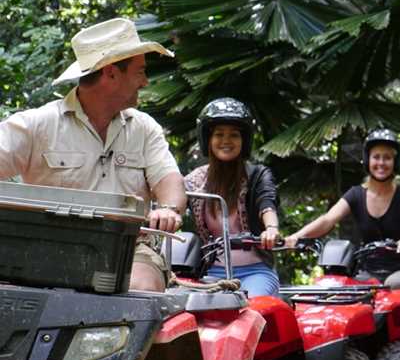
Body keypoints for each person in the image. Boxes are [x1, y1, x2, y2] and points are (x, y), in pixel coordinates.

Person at [0, 17, 185, 292]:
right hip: (46, 249)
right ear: (111, 73)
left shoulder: (143, 128)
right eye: (140, 72)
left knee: (139, 288)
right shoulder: (38, 124)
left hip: (132, 251)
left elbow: (170, 181)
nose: (145, 81)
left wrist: (170, 209)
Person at [284, 129, 400, 292]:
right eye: (376, 157)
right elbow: (328, 220)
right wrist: (296, 236)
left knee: (394, 285)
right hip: (368, 272)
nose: (381, 163)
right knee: (343, 289)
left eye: (387, 158)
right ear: (367, 160)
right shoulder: (356, 194)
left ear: (395, 162)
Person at [185, 98, 282, 297]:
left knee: (251, 311)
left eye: (234, 135)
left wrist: (271, 229)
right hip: (212, 275)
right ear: (208, 140)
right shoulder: (193, 181)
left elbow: (267, 202)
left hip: (256, 272)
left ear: (244, 140)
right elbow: (173, 203)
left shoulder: (257, 175)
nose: (226, 141)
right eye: (219, 134)